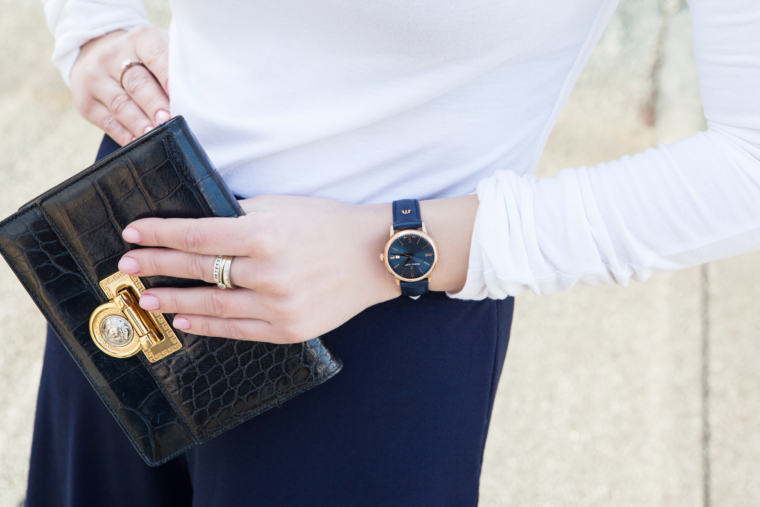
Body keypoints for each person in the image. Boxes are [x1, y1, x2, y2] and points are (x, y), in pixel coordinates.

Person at [28, 0, 760, 505]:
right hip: (133, 235)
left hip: (381, 321)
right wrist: (91, 27)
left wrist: (389, 246)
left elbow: (748, 166)